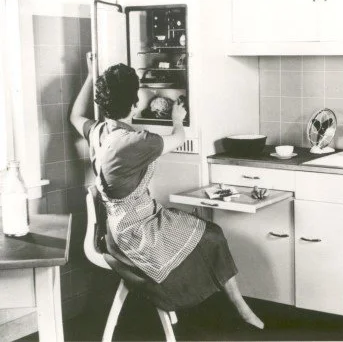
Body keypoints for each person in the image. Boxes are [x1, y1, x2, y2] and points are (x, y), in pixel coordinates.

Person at [70, 52, 264, 330]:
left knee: (206, 232)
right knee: (213, 235)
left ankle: (239, 307)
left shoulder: (99, 131)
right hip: (136, 233)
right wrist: (177, 118)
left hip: (118, 229)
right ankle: (239, 308)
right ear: (135, 103)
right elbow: (180, 137)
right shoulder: (136, 141)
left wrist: (90, 75)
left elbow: (75, 115)